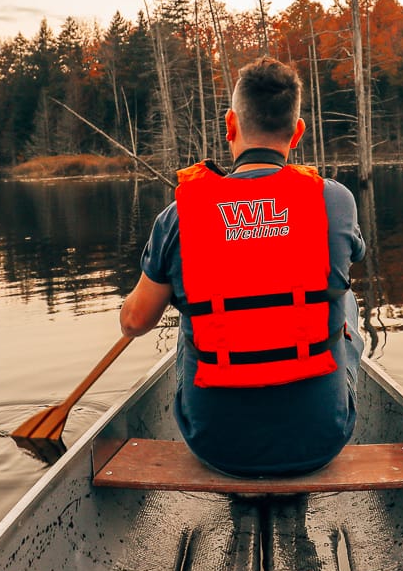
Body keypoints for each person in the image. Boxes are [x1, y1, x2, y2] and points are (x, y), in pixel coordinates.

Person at [119, 56, 366, 477]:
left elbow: (134, 322)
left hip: (216, 443)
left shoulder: (179, 215)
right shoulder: (336, 200)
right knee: (348, 303)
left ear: (230, 125)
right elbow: (347, 258)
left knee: (190, 308)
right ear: (298, 132)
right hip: (321, 437)